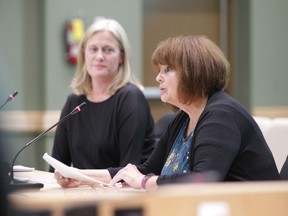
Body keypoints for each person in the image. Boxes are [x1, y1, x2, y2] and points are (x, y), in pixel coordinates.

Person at [54, 35, 280, 191]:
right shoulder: (183, 117)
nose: (158, 78)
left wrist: (145, 182)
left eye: (168, 70)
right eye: (159, 70)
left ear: (194, 72)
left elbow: (202, 181)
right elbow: (142, 169)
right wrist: (81, 176)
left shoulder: (222, 115)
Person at [49, 18, 155, 172]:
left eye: (108, 50)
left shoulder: (131, 98)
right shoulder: (74, 102)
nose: (99, 56)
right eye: (93, 49)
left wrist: (78, 178)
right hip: (80, 193)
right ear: (84, 54)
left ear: (121, 57)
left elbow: (128, 172)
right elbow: (55, 167)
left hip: (124, 194)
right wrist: (62, 177)